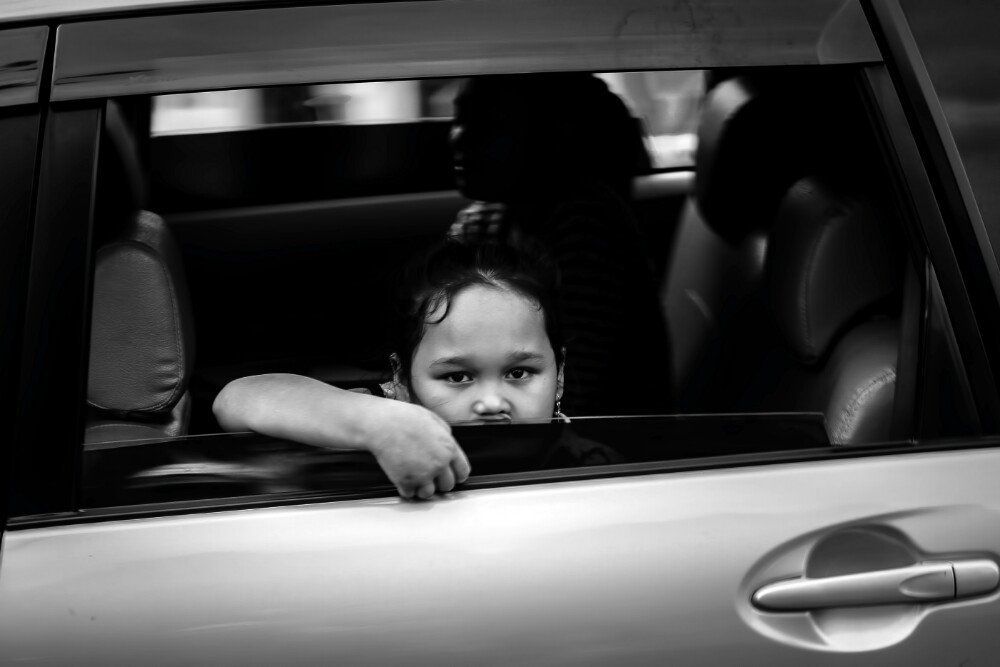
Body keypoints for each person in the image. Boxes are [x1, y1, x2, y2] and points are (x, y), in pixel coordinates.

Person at [213, 241, 566, 500]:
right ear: (400, 378)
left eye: (518, 373)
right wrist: (372, 422)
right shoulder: (377, 426)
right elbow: (236, 399)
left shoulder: (589, 463)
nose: (492, 403)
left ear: (559, 375)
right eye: (457, 377)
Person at [448, 73, 673, 416]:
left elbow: (570, 393)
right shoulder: (489, 220)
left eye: (488, 125)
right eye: (459, 119)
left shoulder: (585, 225)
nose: (458, 137)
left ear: (547, 136)